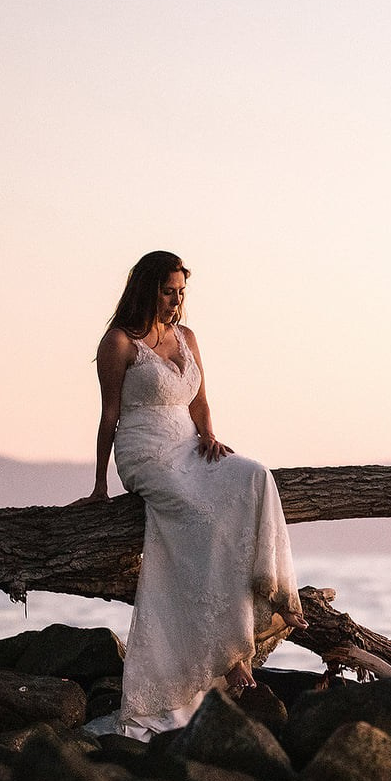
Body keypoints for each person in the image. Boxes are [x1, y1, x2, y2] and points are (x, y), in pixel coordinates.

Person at [74, 251, 304, 735]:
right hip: (145, 452)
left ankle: (277, 594)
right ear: (146, 289)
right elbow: (109, 417)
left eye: (182, 292)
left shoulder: (187, 338)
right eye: (168, 291)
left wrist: (209, 435)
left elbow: (199, 400)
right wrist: (99, 484)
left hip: (188, 443)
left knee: (254, 475)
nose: (177, 301)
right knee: (201, 518)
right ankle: (229, 656)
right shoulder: (118, 343)